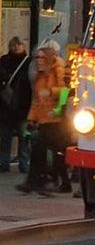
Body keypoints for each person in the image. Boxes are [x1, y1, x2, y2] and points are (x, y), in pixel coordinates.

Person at [16, 40, 70, 194]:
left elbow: (65, 90)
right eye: (37, 58)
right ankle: (57, 182)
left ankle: (38, 181)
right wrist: (31, 119)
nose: (38, 61)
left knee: (43, 151)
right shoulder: (40, 75)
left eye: (41, 58)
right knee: (52, 153)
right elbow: (36, 100)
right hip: (46, 119)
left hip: (57, 120)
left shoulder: (58, 69)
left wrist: (52, 92)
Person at [0, 37, 31, 173]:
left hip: (16, 107)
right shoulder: (28, 63)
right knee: (16, 138)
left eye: (19, 45)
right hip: (12, 106)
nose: (17, 48)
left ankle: (10, 163)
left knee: (20, 137)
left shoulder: (28, 62)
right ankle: (18, 164)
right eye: (15, 46)